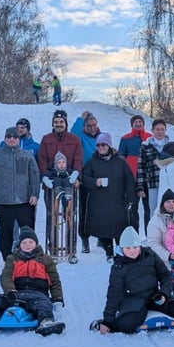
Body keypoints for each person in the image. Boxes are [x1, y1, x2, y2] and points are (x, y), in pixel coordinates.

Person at [95, 227, 174, 334]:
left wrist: (164, 294)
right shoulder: (119, 267)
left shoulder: (149, 255)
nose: (132, 251)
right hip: (133, 301)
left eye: (135, 247)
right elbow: (114, 293)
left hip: (154, 296)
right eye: (128, 248)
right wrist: (107, 321)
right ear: (121, 249)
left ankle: (159, 312)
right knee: (127, 325)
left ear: (140, 246)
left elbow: (165, 275)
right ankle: (107, 324)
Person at [0, 126, 40, 261]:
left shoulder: (27, 155)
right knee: (5, 234)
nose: (12, 139)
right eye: (9, 137)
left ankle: (29, 257)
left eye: (15, 137)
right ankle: (7, 259)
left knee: (28, 232)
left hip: (25, 202)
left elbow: (34, 175)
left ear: (19, 139)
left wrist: (34, 194)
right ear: (5, 138)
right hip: (4, 202)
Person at [81, 133, 135, 262]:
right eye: (98, 145)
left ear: (109, 145)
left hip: (118, 200)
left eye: (103, 144)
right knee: (103, 227)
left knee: (119, 226)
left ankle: (121, 250)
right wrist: (95, 182)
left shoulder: (120, 161)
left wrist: (131, 198)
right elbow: (84, 178)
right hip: (99, 201)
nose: (101, 147)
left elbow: (129, 180)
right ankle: (109, 252)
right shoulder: (92, 162)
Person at [70, 110, 102, 253]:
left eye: (94, 125)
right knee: (84, 209)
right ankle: (84, 239)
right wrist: (80, 118)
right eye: (88, 125)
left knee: (102, 209)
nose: (92, 127)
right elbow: (72, 133)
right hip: (85, 177)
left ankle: (102, 238)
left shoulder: (102, 137)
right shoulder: (80, 137)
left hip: (101, 178)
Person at [40, 151, 79, 254]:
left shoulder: (67, 172)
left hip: (67, 193)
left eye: (63, 162)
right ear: (55, 164)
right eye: (59, 163)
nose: (61, 165)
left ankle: (67, 194)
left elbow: (75, 172)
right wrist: (46, 180)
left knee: (70, 216)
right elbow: (45, 175)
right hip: (55, 194)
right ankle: (54, 247)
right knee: (56, 180)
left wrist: (75, 175)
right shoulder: (53, 172)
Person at [135, 119, 171, 229]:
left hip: (168, 183)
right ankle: (154, 236)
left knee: (169, 210)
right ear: (153, 130)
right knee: (154, 211)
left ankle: (169, 236)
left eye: (162, 129)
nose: (160, 132)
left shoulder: (170, 145)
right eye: (157, 129)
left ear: (165, 130)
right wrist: (140, 186)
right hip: (152, 183)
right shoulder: (146, 146)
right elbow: (141, 166)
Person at [119, 115, 151, 227]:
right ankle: (134, 236)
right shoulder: (125, 138)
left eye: (140, 122)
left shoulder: (149, 137)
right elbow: (121, 157)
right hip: (131, 177)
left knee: (149, 208)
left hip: (147, 177)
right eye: (135, 122)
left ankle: (150, 236)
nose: (138, 124)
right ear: (131, 124)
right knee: (133, 207)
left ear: (143, 124)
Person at [37, 109, 84, 176]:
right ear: (53, 124)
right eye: (56, 122)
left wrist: (77, 176)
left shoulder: (74, 139)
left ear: (66, 123)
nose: (58, 124)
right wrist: (45, 176)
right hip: (51, 178)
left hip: (70, 177)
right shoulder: (46, 139)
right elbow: (42, 160)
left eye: (61, 122)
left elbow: (78, 160)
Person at [145, 188, 174, 262]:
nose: (171, 204)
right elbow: (153, 244)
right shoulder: (156, 221)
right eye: (168, 202)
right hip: (166, 262)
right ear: (162, 204)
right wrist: (169, 256)